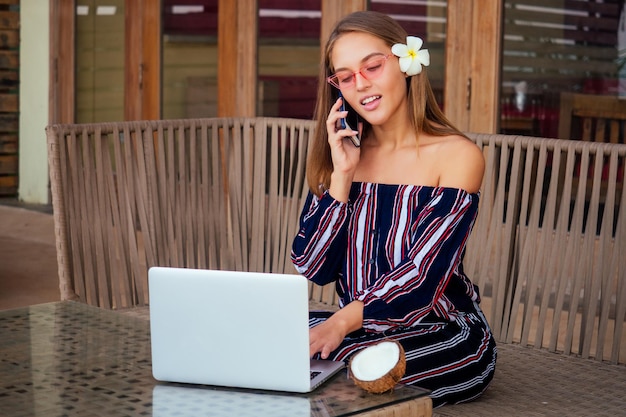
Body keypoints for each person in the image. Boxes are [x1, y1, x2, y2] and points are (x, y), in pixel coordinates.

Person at [291, 11, 496, 407]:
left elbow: (421, 279)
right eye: (346, 76)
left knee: (351, 368)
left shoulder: (457, 156)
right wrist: (342, 176)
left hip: (442, 331)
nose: (361, 84)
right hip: (361, 330)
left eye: (372, 66)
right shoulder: (340, 157)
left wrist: (341, 322)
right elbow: (314, 267)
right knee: (262, 336)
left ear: (405, 65)